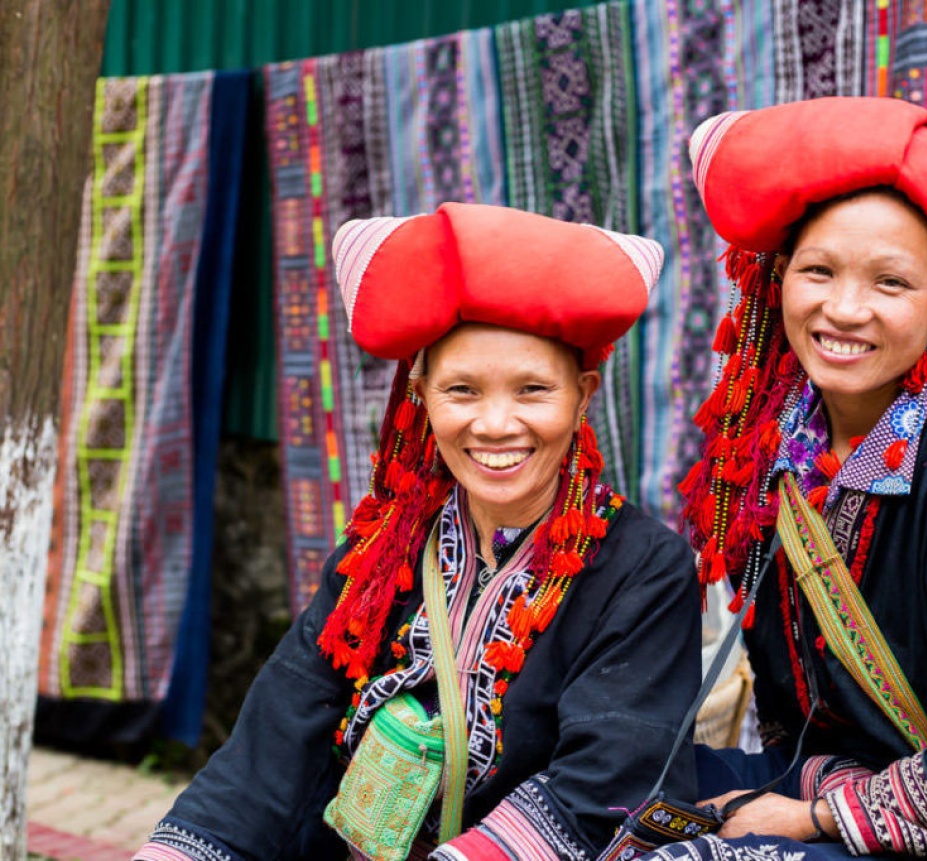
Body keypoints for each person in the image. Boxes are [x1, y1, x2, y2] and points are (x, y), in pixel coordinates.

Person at [132, 202, 700, 861]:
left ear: (582, 395)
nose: (494, 424)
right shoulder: (382, 556)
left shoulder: (645, 570)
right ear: (422, 397)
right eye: (462, 390)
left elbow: (611, 782)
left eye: (532, 390)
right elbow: (279, 736)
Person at [639, 97, 927, 861]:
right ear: (780, 278)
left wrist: (811, 818)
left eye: (891, 283)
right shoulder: (762, 456)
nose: (844, 309)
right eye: (818, 271)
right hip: (827, 782)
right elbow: (795, 717)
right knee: (605, 794)